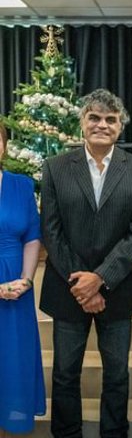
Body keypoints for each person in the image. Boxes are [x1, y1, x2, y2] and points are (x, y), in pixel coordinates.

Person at [40, 89, 132, 438]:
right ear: (82, 123)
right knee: (65, 373)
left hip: (117, 289)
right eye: (94, 117)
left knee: (117, 375)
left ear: (120, 127)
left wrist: (100, 279)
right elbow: (51, 231)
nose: (102, 125)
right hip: (67, 289)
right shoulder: (55, 167)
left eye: (110, 119)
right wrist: (82, 284)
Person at [0, 122, 46, 437]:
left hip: (16, 290)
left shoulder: (21, 185)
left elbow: (32, 236)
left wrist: (26, 280)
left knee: (13, 362)